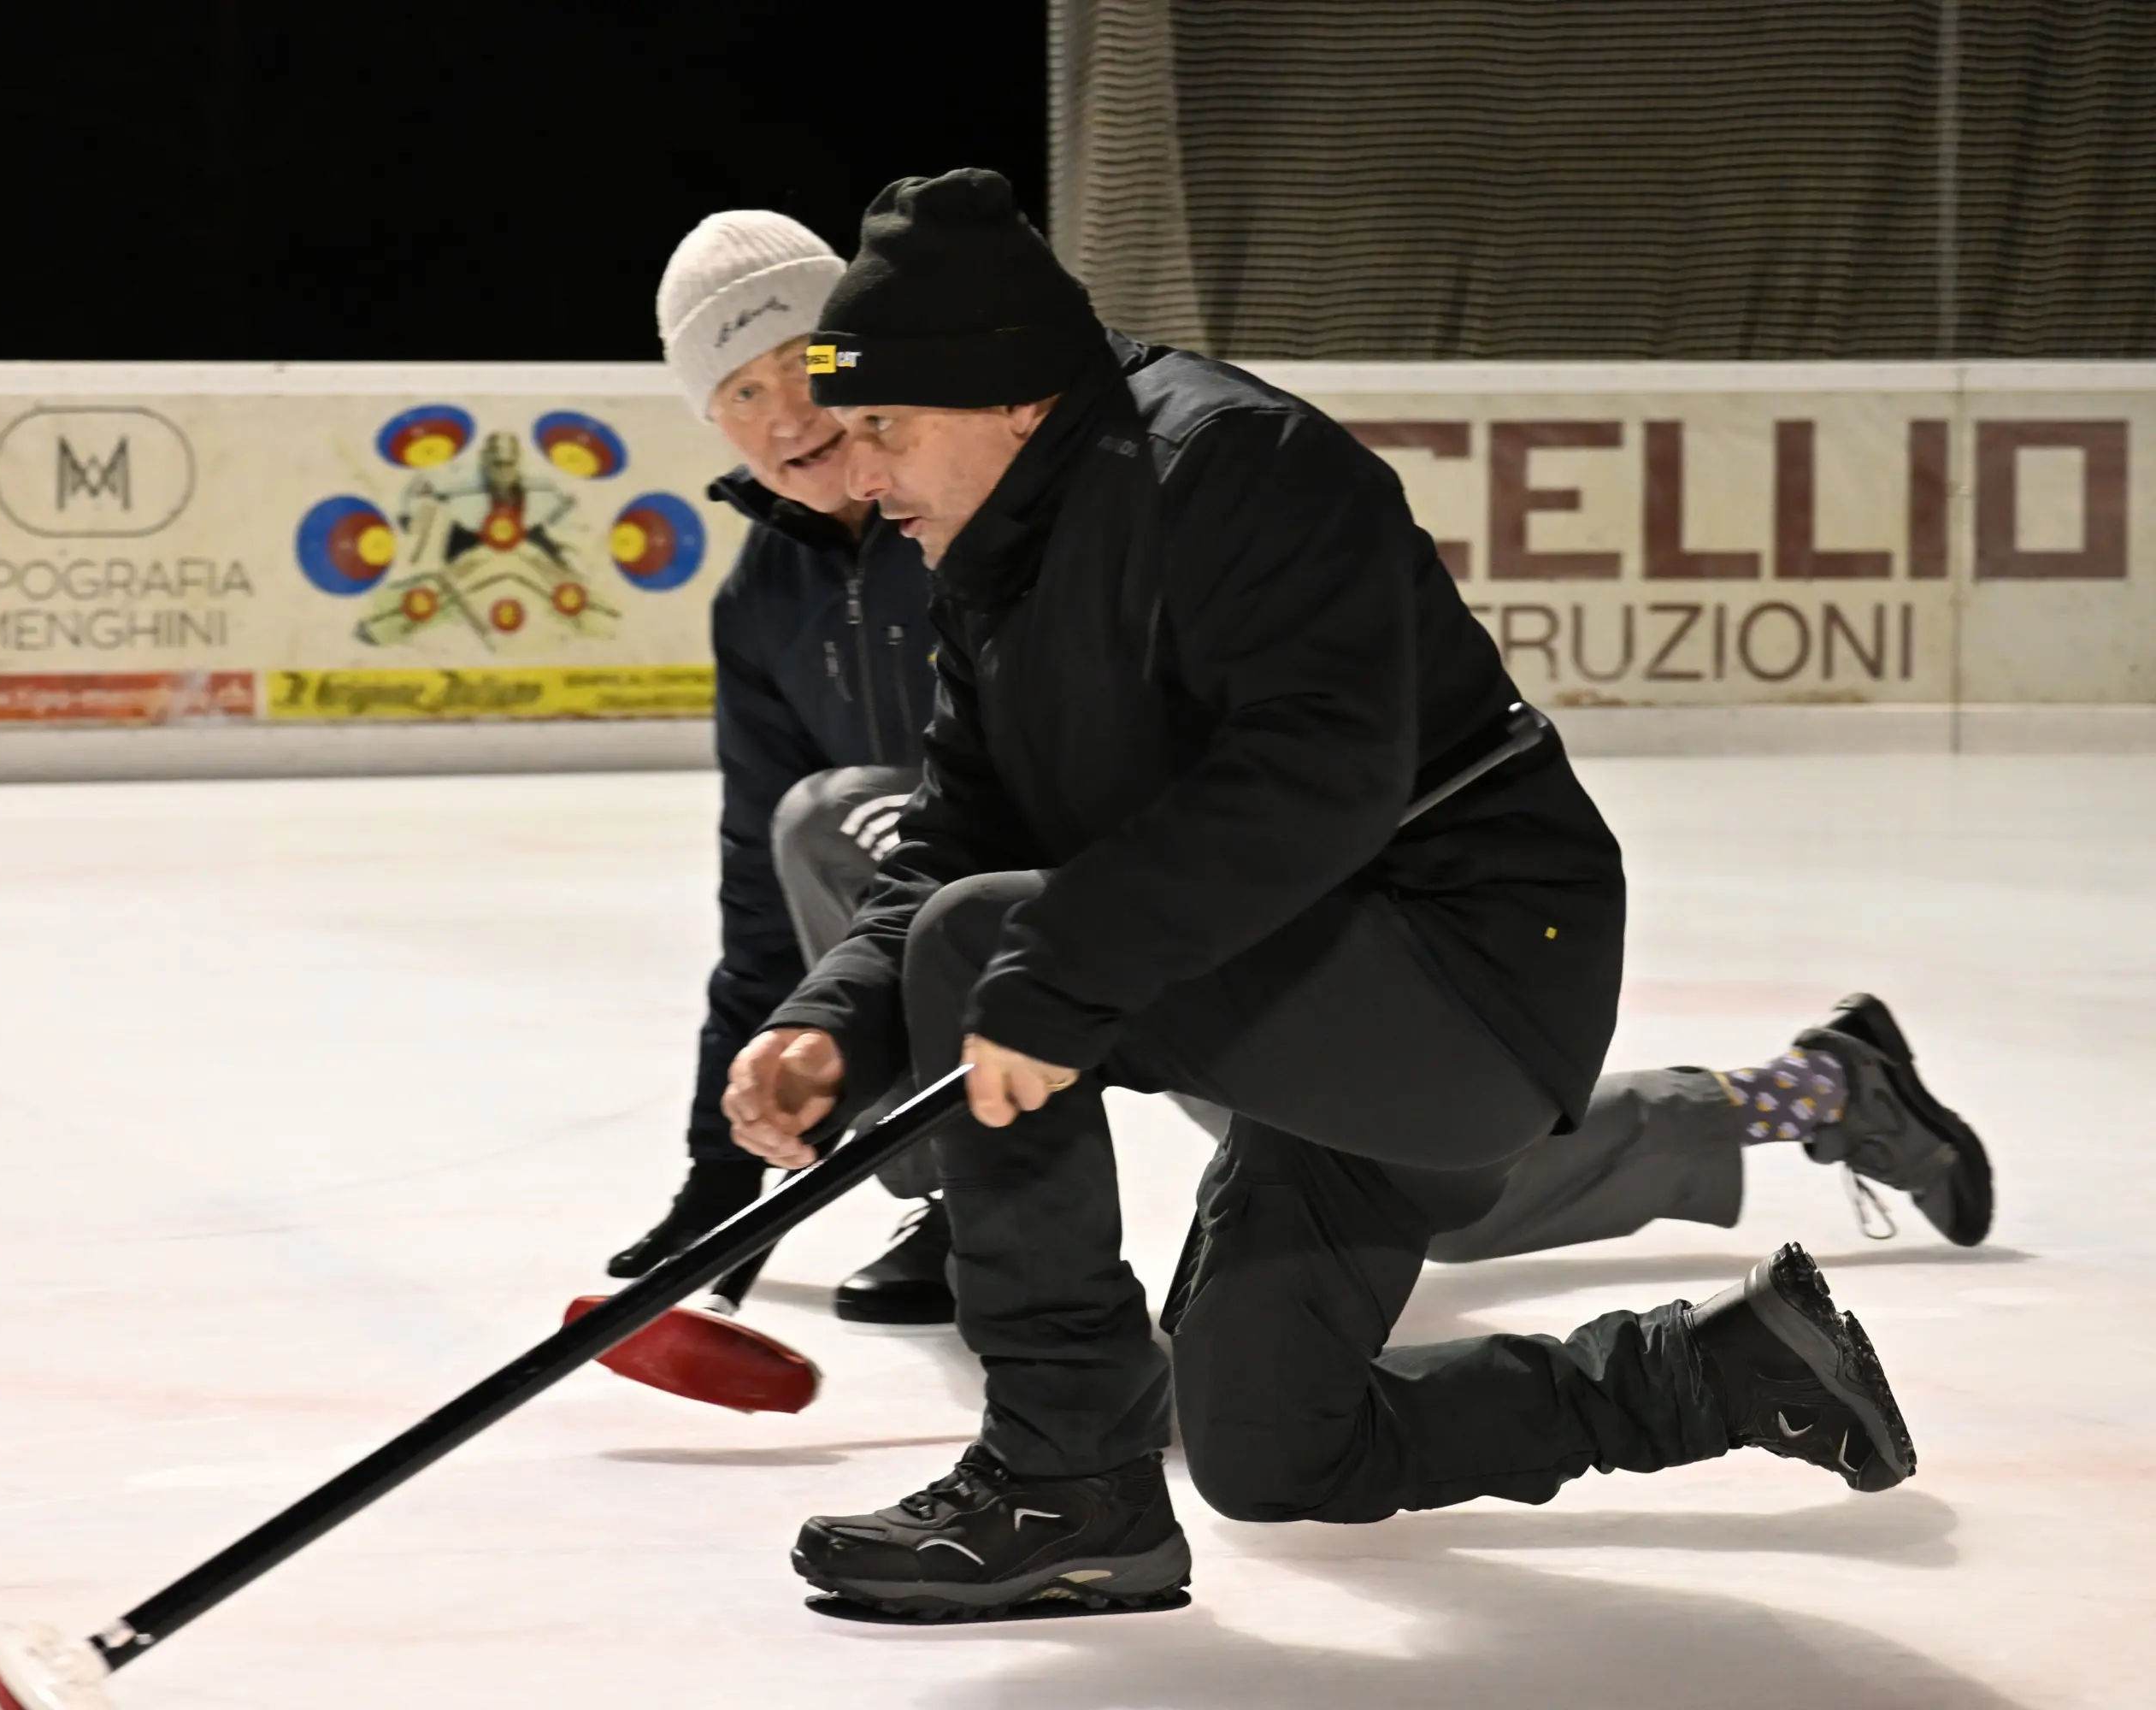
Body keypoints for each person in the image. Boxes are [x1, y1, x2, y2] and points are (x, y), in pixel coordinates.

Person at [722, 170, 1977, 1619]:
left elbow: (1316, 774)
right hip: (1317, 989)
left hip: (1466, 969)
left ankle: (1066, 1484)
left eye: (881, 426)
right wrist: (831, 1028)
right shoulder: (994, 551)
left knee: (990, 941)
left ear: (1007, 396)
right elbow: (954, 835)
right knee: (1271, 1444)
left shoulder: (1230, 465)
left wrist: (1055, 966)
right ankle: (1720, 1373)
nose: (853, 470)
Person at [603, 209, 954, 1323]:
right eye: (740, 395)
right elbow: (763, 892)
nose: (786, 415)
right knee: (821, 832)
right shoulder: (762, 603)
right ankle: (957, 1202)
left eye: (807, 365)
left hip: (1096, 881)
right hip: (940, 903)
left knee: (843, 824)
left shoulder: (973, 502)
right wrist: (726, 1168)